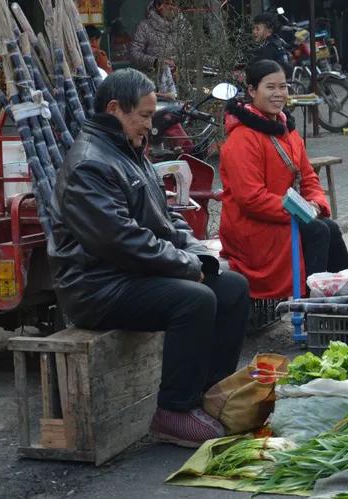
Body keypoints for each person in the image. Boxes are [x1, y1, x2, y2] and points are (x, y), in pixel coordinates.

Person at [47, 69, 249, 448]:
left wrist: (196, 252)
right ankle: (173, 410)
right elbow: (121, 240)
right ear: (114, 109)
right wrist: (186, 267)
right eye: (144, 115)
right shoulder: (90, 163)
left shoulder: (128, 149)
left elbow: (164, 215)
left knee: (233, 287)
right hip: (96, 285)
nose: (150, 125)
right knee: (195, 299)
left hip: (130, 273)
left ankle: (209, 395)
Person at [219, 60, 348, 299]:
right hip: (251, 227)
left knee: (330, 228)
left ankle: (345, 303)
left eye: (283, 87)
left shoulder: (286, 130)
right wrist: (301, 211)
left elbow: (309, 178)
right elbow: (251, 199)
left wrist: (315, 204)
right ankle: (313, 310)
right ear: (251, 91)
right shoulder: (241, 139)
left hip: (280, 216)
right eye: (270, 87)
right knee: (318, 231)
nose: (278, 94)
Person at [130, 0, 180, 84]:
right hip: (152, 83)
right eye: (167, 4)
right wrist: (156, 62)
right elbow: (134, 54)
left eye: (174, 4)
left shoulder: (183, 25)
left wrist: (178, 68)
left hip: (180, 82)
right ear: (158, 5)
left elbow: (193, 52)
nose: (172, 7)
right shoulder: (144, 26)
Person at [250, 12, 294, 78]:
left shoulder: (268, 48)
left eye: (257, 29)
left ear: (269, 31)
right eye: (253, 28)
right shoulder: (279, 42)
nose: (254, 32)